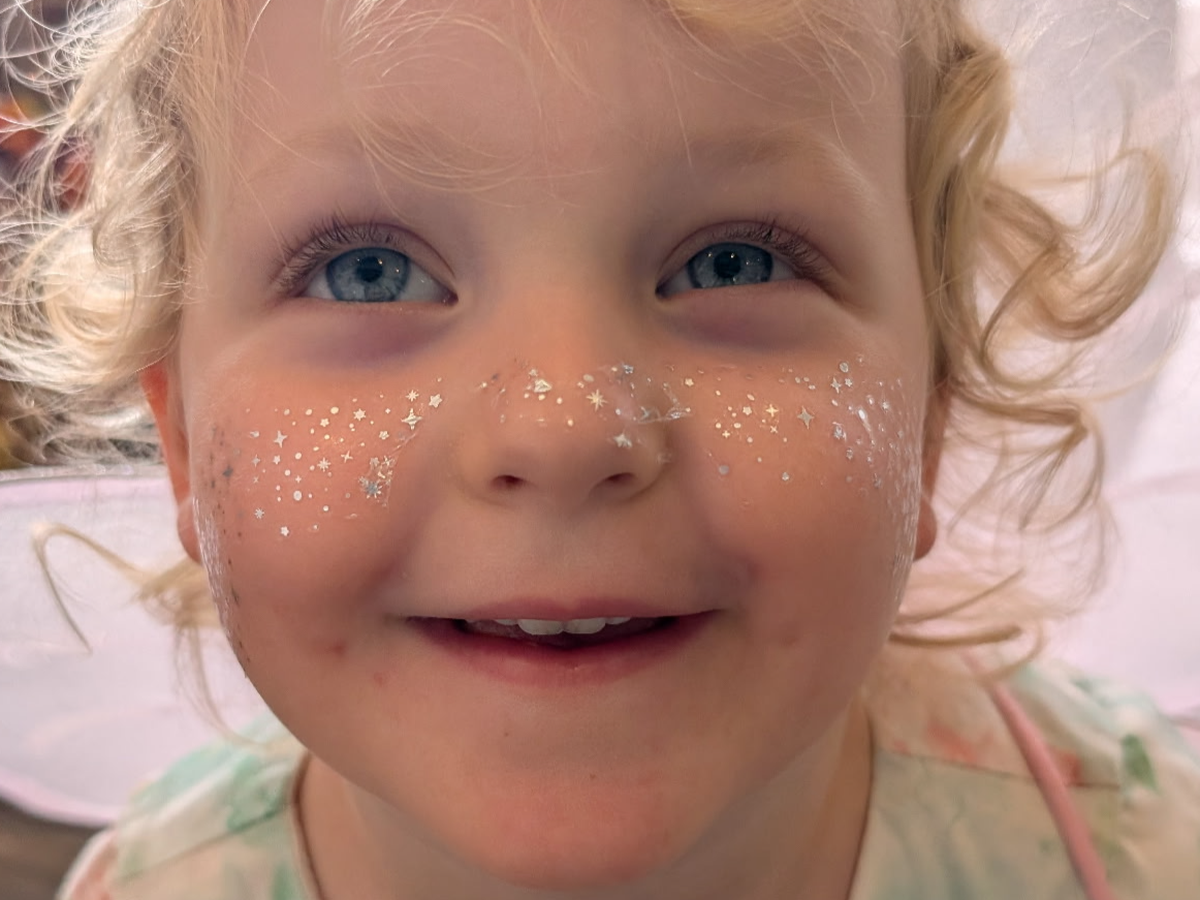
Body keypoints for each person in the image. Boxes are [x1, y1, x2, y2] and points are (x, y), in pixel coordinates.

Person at [0, 0, 1195, 897]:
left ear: (928, 413)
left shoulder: (1145, 851)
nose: (567, 428)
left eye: (734, 261)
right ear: (180, 436)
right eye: (368, 271)